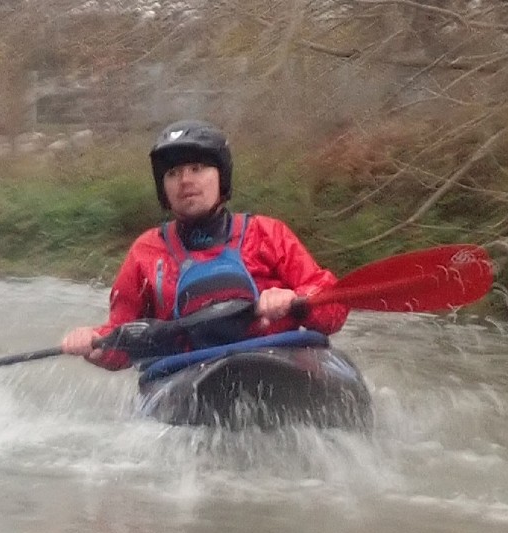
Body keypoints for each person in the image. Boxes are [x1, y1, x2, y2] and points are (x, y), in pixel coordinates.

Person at [60, 120, 348, 369]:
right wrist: (94, 343)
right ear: (164, 189)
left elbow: (332, 306)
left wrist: (296, 301)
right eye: (173, 173)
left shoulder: (267, 233)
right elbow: (121, 339)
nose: (185, 180)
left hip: (279, 359)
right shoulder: (145, 251)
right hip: (187, 374)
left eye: (197, 168)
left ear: (221, 178)